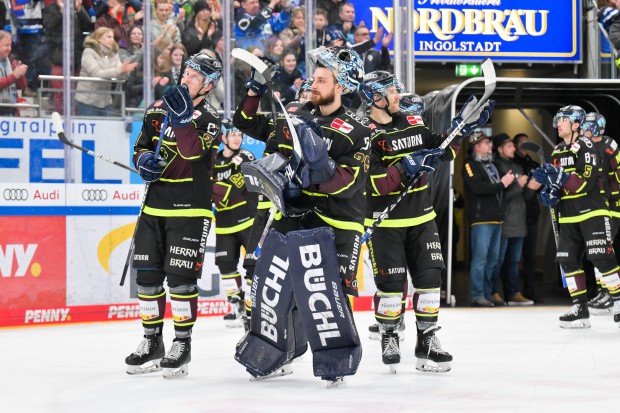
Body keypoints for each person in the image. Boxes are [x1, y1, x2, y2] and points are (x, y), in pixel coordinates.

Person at [232, 45, 369, 384]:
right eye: (313, 77)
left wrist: (313, 174)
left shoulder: (357, 130)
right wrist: (254, 91)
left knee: (329, 289)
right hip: (294, 211)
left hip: (338, 219)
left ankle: (336, 358)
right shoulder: (293, 111)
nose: (313, 82)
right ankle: (280, 350)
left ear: (342, 86)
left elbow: (348, 183)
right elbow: (245, 122)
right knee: (273, 283)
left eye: (322, 79)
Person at [362, 71, 494, 372]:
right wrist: (406, 167)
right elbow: (375, 183)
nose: (399, 96)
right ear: (375, 97)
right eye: (393, 92)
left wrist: (460, 129)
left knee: (430, 281)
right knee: (392, 287)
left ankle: (428, 341)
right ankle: (390, 336)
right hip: (387, 224)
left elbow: (442, 148)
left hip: (422, 218)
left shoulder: (412, 122)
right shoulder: (365, 133)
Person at [124, 53, 223, 378]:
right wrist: (143, 163)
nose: (187, 78)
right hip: (154, 206)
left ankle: (183, 344)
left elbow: (192, 152)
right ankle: (152, 341)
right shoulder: (156, 109)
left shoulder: (210, 117)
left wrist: (181, 121)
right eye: (187, 72)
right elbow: (141, 146)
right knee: (148, 279)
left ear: (208, 85)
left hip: (190, 209)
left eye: (195, 76)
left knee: (181, 281)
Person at [532, 106, 620, 328]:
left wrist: (561, 178)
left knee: (600, 256)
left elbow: (584, 183)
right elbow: (558, 185)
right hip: (568, 215)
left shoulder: (588, 147)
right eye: (558, 119)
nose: (558, 123)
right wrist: (550, 192)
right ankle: (580, 309)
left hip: (593, 211)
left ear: (576, 124)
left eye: (563, 119)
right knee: (567, 260)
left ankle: (618, 301)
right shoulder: (558, 150)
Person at [212, 122, 258, 328]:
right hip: (223, 224)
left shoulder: (246, 156)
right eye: (233, 135)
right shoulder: (214, 159)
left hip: (247, 220)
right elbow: (205, 181)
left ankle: (251, 306)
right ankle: (235, 304)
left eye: (240, 134)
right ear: (223, 138)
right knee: (226, 266)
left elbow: (237, 183)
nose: (237, 138)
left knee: (253, 266)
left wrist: (214, 190)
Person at [462, 131, 515, 307]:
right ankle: (477, 295)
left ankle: (487, 292)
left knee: (493, 260)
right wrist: (502, 184)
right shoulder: (469, 165)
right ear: (476, 146)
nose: (490, 146)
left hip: (497, 219)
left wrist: (508, 182)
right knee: (480, 259)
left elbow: (503, 187)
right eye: (486, 143)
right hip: (481, 219)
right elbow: (477, 187)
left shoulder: (492, 165)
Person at [490, 133, 537, 306]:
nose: (514, 148)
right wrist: (518, 185)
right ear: (500, 149)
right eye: (509, 146)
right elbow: (500, 195)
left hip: (519, 222)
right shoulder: (495, 167)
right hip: (503, 222)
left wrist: (531, 188)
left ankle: (513, 293)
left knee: (514, 261)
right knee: (497, 261)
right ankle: (493, 292)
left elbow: (522, 196)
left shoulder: (517, 167)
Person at [581, 112, 618, 315]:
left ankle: (611, 294)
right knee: (595, 250)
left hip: (611, 206)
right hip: (595, 206)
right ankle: (602, 291)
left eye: (588, 125)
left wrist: (611, 198)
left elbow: (616, 175)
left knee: (604, 249)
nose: (584, 129)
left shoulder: (609, 145)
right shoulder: (585, 146)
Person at [42, 0, 94, 114]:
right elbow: (49, 25)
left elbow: (88, 25)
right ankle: (60, 116)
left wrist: (80, 10)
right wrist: (61, 11)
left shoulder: (76, 8)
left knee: (75, 91)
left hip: (75, 56)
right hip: (57, 56)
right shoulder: (50, 9)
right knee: (60, 92)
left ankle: (74, 115)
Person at [75, 27, 137, 117]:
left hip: (106, 102)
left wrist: (125, 71)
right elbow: (97, 74)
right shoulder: (88, 52)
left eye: (113, 37)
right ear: (99, 38)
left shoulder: (114, 53)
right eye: (109, 37)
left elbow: (119, 74)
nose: (112, 40)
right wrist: (119, 71)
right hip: (87, 101)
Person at [512, 133, 542, 302]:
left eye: (527, 143)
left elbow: (540, 186)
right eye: (522, 144)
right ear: (516, 146)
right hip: (516, 215)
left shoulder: (533, 164)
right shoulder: (512, 163)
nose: (526, 146)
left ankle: (530, 291)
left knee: (530, 256)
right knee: (514, 257)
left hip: (531, 214)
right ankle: (513, 291)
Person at [0, 30, 27, 116]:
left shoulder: (11, 61)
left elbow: (22, 86)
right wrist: (14, 75)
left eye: (10, 45)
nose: (9, 49)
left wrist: (20, 74)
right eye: (6, 45)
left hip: (10, 111)